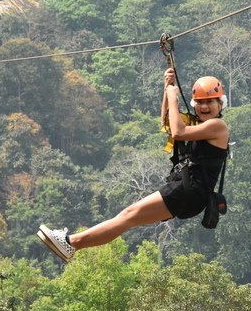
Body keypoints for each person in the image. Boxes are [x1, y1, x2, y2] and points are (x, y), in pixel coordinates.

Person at [37, 68, 229, 263]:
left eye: (210, 102)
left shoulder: (218, 127)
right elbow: (168, 124)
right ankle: (72, 244)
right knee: (128, 217)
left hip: (190, 191)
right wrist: (167, 88)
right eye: (200, 102)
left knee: (128, 215)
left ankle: (71, 242)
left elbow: (178, 132)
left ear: (220, 104)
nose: (204, 106)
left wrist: (173, 96)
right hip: (188, 191)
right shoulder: (200, 125)